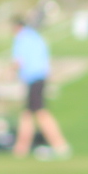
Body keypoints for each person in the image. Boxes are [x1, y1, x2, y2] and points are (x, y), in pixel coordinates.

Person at [11, 15, 71, 159]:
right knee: (27, 114)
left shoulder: (22, 39)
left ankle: (60, 144)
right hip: (41, 77)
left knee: (41, 113)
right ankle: (21, 148)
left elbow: (19, 61)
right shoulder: (36, 37)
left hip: (33, 78)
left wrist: (10, 72)